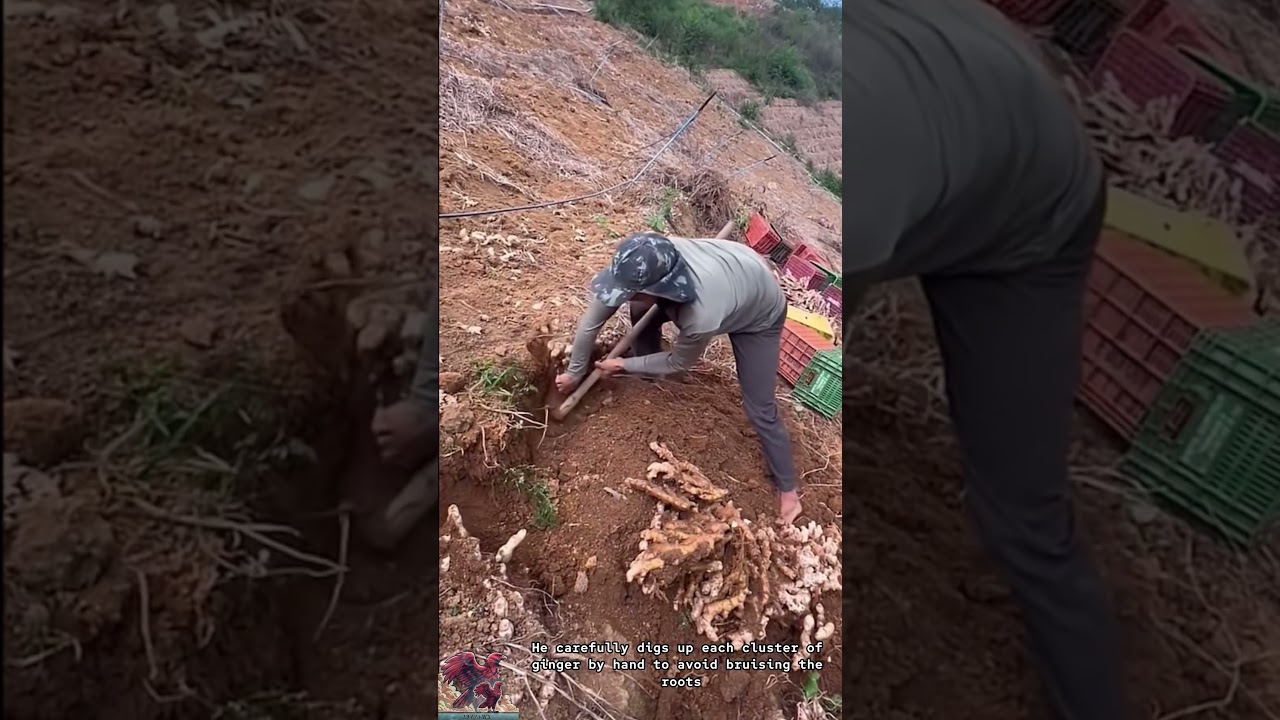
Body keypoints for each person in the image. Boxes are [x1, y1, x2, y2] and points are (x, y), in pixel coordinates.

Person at [844, 2, 1126, 719]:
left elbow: (786, 362)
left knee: (1022, 513)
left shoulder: (849, 196)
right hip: (955, 88)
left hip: (1032, 218)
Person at [555, 232, 805, 524]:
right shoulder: (648, 256)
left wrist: (625, 365)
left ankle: (789, 492)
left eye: (629, 290)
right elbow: (591, 323)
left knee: (760, 408)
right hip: (733, 265)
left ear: (660, 287)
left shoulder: (701, 315)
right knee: (639, 307)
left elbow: (679, 363)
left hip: (759, 309)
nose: (620, 296)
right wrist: (574, 373)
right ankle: (649, 377)